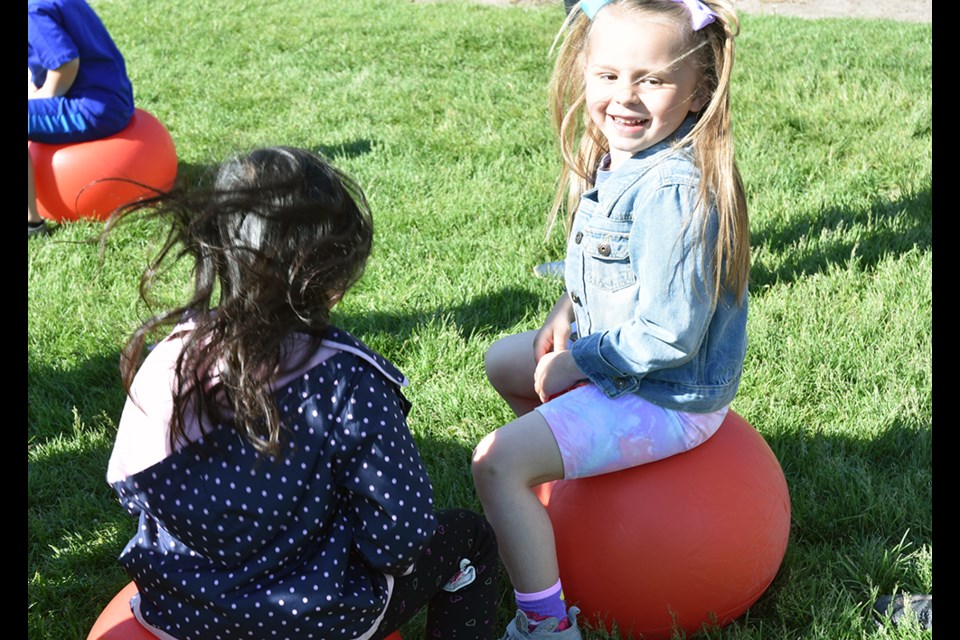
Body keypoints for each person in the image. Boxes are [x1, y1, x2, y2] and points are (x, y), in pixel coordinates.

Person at [104, 147, 500, 640]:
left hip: (180, 613)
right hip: (317, 621)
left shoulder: (169, 359)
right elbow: (401, 537)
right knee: (471, 539)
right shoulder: (346, 381)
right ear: (332, 278)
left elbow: (130, 492)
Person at [472, 1, 749, 638]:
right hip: (621, 363)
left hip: (668, 395)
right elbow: (604, 267)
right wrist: (567, 311)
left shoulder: (675, 189)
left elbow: (670, 334)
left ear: (697, 88)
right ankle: (556, 495)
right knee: (503, 361)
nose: (625, 96)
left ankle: (544, 624)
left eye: (651, 80)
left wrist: (577, 361)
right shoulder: (623, 156)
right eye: (607, 75)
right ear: (585, 73)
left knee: (494, 462)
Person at [28, 0, 135, 238]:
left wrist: (43, 97)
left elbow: (65, 62)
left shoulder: (31, 10)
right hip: (112, 98)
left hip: (92, 109)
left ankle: (31, 224)